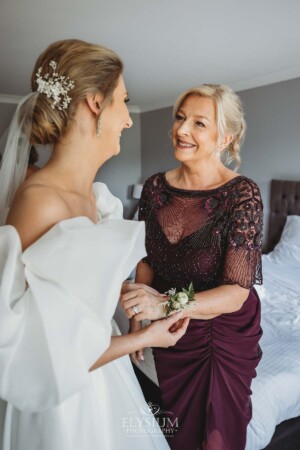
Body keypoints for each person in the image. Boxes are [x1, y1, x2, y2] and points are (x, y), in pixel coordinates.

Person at [0, 39, 190, 450]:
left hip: (105, 379)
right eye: (123, 101)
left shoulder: (93, 199)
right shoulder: (40, 202)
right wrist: (146, 339)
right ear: (94, 103)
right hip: (67, 405)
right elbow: (43, 353)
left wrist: (128, 292)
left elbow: (66, 292)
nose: (128, 119)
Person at [121, 84, 263, 450]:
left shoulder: (241, 195)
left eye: (200, 123)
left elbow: (235, 293)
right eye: (181, 118)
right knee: (178, 433)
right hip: (172, 332)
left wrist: (162, 305)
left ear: (224, 137)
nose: (182, 130)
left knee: (214, 439)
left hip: (221, 333)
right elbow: (148, 257)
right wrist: (139, 313)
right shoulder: (155, 188)